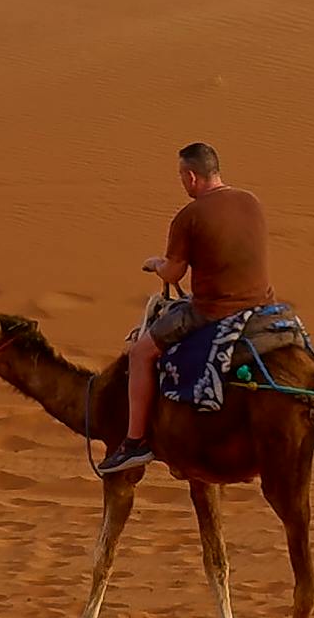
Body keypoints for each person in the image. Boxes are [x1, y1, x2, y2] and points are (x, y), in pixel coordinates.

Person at [102, 140, 272, 481]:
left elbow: (173, 274)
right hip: (263, 304)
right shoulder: (251, 201)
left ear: (192, 176)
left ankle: (135, 442)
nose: (182, 182)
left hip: (213, 310)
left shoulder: (189, 216)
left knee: (140, 353)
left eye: (181, 176)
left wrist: (156, 264)